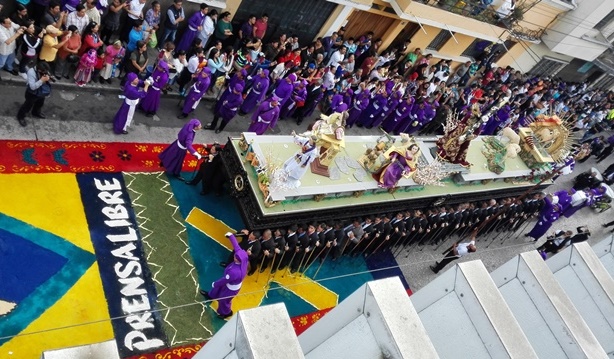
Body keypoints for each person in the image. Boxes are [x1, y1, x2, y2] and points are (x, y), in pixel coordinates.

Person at [199, 232, 248, 319]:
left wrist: (215, 284)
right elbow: (236, 247)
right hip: (230, 283)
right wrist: (231, 236)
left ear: (238, 259)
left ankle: (226, 312)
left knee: (224, 300)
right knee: (217, 289)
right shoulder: (243, 258)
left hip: (231, 288)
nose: (234, 256)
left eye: (235, 257)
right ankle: (211, 296)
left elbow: (225, 280)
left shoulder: (234, 272)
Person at [16, 61, 53, 127]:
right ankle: (20, 117)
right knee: (27, 106)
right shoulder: (31, 72)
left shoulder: (43, 70)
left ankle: (35, 112)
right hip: (32, 93)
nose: (45, 72)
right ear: (39, 70)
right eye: (44, 71)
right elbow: (32, 87)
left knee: (40, 103)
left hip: (41, 91)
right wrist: (42, 80)